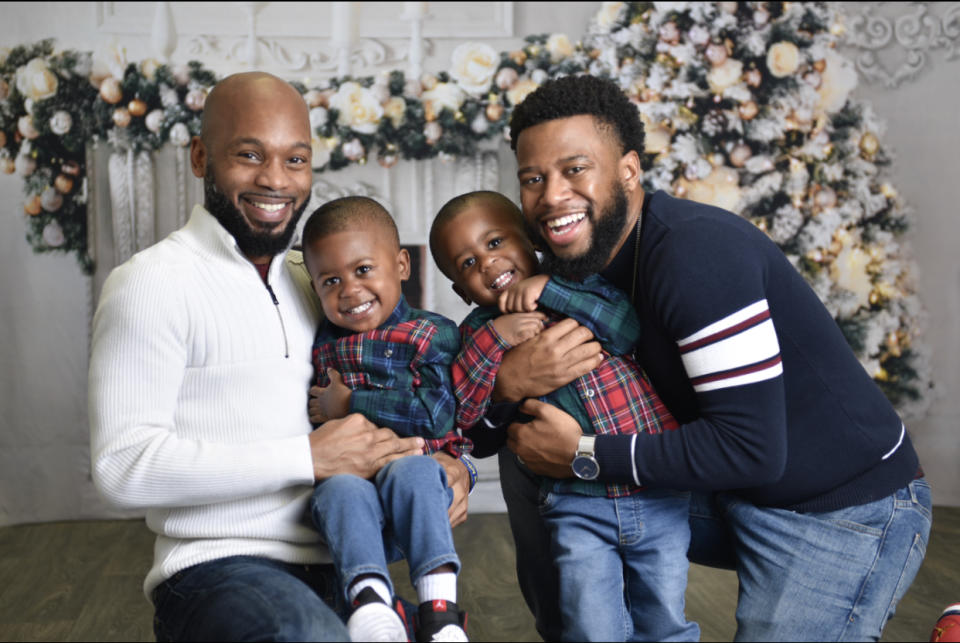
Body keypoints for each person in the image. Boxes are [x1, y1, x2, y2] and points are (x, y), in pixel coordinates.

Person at [491, 74, 932, 642]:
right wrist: (508, 385)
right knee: (530, 454)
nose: (552, 196)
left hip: (841, 509)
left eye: (575, 169)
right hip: (727, 490)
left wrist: (583, 454)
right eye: (534, 178)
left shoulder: (695, 254)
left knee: (562, 457)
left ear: (628, 170)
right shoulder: (575, 264)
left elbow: (750, 450)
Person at [88, 71, 469, 643]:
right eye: (249, 154)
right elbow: (121, 468)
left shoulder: (317, 280)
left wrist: (452, 466)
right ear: (200, 157)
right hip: (220, 569)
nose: (276, 180)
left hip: (346, 560)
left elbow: (405, 381)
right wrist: (305, 457)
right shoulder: (150, 283)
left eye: (296, 160)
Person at [429, 190, 698, 642]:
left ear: (530, 241)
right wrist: (497, 340)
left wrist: (549, 288)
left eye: (495, 244)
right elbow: (466, 409)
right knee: (590, 625)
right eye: (469, 264)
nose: (489, 264)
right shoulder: (476, 333)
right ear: (461, 291)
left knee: (664, 617)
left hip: (654, 492)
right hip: (575, 501)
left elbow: (625, 328)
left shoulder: (579, 283)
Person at [302, 196, 469, 642]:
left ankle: (440, 610)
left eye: (363, 270)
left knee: (414, 470)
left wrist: (351, 404)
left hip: (416, 495)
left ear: (401, 265)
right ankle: (371, 602)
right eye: (330, 280)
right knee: (338, 488)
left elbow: (436, 416)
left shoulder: (431, 334)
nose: (350, 291)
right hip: (352, 502)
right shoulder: (320, 344)